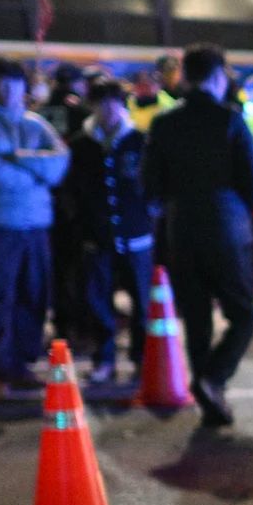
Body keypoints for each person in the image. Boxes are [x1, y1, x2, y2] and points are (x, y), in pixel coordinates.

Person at [145, 44, 253, 430]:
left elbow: (149, 184)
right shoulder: (229, 120)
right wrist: (238, 210)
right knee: (243, 314)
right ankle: (213, 380)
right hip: (226, 224)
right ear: (217, 77)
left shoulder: (164, 124)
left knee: (196, 318)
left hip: (181, 227)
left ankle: (208, 393)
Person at [0, 58, 71, 402]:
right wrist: (35, 173)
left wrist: (17, 157)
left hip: (35, 224)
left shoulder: (35, 124)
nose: (8, 90)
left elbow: (59, 165)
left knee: (33, 295)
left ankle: (21, 364)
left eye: (14, 83)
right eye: (0, 83)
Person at [63, 78, 156, 384]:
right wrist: (79, 222)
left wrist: (152, 213)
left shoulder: (139, 141)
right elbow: (69, 189)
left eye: (114, 102)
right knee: (97, 299)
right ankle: (104, 357)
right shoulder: (80, 144)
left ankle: (142, 356)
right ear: (92, 106)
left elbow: (156, 182)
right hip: (95, 235)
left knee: (141, 300)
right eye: (101, 103)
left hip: (136, 233)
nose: (109, 110)